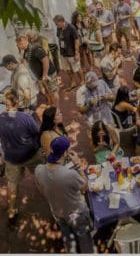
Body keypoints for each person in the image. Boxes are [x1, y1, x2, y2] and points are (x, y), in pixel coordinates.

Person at [34, 136, 94, 253]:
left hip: (57, 213)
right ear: (65, 152)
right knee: (84, 239)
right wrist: (77, 165)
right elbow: (84, 187)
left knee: (68, 239)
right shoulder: (70, 174)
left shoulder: (39, 169)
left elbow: (41, 188)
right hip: (76, 214)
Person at [0, 90, 41, 219]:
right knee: (41, 177)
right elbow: (37, 133)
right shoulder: (26, 117)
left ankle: (11, 210)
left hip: (11, 158)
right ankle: (53, 200)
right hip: (31, 155)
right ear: (17, 102)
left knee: (12, 183)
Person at [16, 33, 55, 105]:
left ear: (23, 41)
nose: (18, 46)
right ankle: (51, 104)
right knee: (47, 91)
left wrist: (45, 74)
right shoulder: (26, 51)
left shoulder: (35, 48)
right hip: (40, 76)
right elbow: (24, 61)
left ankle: (56, 108)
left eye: (19, 44)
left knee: (53, 91)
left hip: (48, 74)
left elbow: (45, 60)